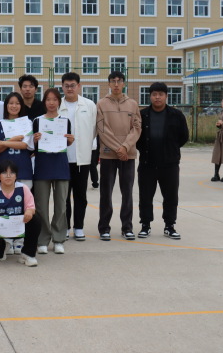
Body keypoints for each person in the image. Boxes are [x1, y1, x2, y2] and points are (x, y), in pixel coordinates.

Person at [136, 82, 189, 240]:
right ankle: (145, 225)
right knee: (145, 196)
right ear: (150, 96)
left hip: (169, 164)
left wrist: (171, 149)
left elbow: (184, 136)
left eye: (160, 94)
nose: (157, 97)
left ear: (166, 96)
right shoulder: (142, 115)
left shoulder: (176, 115)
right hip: (147, 163)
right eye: (154, 94)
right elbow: (136, 137)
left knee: (171, 196)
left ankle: (169, 225)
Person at [96, 71, 141, 240]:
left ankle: (127, 227)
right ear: (108, 84)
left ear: (124, 83)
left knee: (127, 192)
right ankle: (104, 228)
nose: (116, 84)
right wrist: (118, 148)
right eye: (113, 81)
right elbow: (102, 129)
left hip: (128, 156)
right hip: (108, 155)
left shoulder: (132, 104)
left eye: (119, 81)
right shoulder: (101, 104)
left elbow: (136, 128)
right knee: (105, 192)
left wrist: (125, 147)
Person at [31, 88, 74, 254]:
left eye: (54, 99)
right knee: (41, 205)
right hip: (43, 165)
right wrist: (35, 140)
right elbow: (32, 147)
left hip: (60, 164)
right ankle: (42, 239)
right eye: (48, 99)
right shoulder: (37, 121)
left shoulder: (65, 121)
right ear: (44, 102)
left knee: (61, 204)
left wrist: (70, 141)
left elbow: (66, 143)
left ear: (59, 102)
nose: (51, 103)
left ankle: (59, 239)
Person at [58, 72, 97, 241]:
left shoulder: (89, 105)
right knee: (64, 196)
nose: (69, 89)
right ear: (62, 87)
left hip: (83, 159)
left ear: (79, 86)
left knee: (81, 195)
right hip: (62, 159)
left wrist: (86, 145)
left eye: (72, 85)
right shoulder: (58, 105)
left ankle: (79, 227)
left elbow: (94, 129)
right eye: (66, 86)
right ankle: (66, 227)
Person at [0, 160, 41, 266]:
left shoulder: (23, 188)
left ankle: (28, 254)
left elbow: (31, 207)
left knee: (35, 219)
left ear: (16, 176)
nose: (8, 176)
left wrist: (29, 212)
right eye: (4, 172)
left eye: (12, 173)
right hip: (0, 229)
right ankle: (1, 250)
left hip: (19, 226)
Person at [0, 92, 33, 189]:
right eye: (11, 103)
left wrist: (2, 142)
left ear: (21, 106)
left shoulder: (27, 122)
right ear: (6, 105)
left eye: (17, 103)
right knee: (3, 197)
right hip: (3, 169)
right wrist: (14, 140)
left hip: (23, 169)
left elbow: (24, 145)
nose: (14, 106)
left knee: (23, 197)